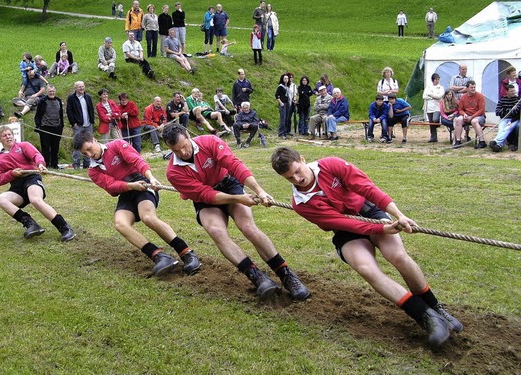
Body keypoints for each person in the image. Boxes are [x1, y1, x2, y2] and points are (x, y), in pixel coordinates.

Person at [269, 146, 463, 349]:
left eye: (298, 171)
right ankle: (426, 317)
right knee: (366, 269)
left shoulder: (331, 165)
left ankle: (436, 307)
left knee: (396, 255)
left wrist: (398, 216)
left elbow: (367, 188)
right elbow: (344, 223)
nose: (298, 179)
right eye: (290, 178)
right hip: (345, 229)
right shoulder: (301, 204)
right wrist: (384, 229)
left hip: (369, 211)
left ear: (302, 158)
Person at [162, 123, 310, 300]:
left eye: (184, 146)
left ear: (187, 135)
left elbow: (233, 165)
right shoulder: (173, 172)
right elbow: (205, 194)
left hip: (229, 184)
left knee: (248, 226)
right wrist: (239, 199)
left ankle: (286, 275)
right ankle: (256, 276)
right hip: (206, 198)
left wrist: (259, 190)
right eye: (176, 151)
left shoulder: (209, 141)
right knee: (216, 231)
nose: (183, 153)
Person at [73, 132, 200, 276]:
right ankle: (160, 256)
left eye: (89, 149)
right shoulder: (93, 171)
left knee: (147, 217)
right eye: (85, 153)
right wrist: (129, 186)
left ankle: (187, 253)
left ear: (94, 140)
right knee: (120, 224)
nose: (89, 154)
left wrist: (150, 178)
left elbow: (136, 160)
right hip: (127, 190)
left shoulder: (117, 145)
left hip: (142, 183)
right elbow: (111, 186)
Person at [0, 126, 76, 242]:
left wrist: (40, 164)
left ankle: (64, 228)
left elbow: (36, 155)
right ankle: (31, 224)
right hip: (16, 187)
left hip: (31, 178)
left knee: (35, 199)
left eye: (9, 134)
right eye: (4, 135)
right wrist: (11, 174)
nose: (8, 137)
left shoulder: (23, 146)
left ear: (13, 135)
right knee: (1, 199)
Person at [66, 81, 95, 169]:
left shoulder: (88, 97)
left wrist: (92, 120)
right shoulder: (71, 98)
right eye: (79, 87)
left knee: (89, 143)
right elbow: (69, 111)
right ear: (75, 88)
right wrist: (73, 123)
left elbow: (91, 109)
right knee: (77, 144)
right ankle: (76, 164)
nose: (82, 88)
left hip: (88, 124)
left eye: (83, 86)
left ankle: (87, 164)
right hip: (78, 125)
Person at [34, 85, 64, 169]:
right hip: (45, 128)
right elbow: (38, 115)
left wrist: (61, 126)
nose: (52, 93)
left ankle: (55, 164)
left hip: (57, 127)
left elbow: (61, 114)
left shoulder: (58, 100)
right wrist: (38, 126)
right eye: (50, 91)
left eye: (53, 91)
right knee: (45, 148)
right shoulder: (42, 101)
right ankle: (46, 164)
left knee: (55, 147)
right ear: (47, 92)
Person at [453, 80, 486, 149]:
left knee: (474, 121)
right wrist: (464, 114)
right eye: (471, 87)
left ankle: (482, 142)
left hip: (479, 116)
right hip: (467, 115)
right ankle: (458, 141)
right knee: (458, 120)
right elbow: (460, 109)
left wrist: (472, 117)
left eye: (474, 87)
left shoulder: (480, 96)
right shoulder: (463, 97)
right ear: (467, 88)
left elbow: (481, 110)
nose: (473, 89)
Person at [490, 84, 520, 152]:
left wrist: (504, 110)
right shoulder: (502, 100)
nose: (513, 92)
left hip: (514, 120)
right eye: (511, 91)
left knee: (507, 128)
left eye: (514, 91)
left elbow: (516, 112)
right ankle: (499, 145)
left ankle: (496, 142)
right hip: (504, 119)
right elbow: (497, 112)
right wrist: (510, 110)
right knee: (501, 129)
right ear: (507, 92)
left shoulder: (517, 100)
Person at [422, 73, 444, 142]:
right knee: (431, 123)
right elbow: (424, 96)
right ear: (433, 80)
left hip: (437, 107)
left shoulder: (441, 87)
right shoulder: (428, 87)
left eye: (438, 79)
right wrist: (433, 97)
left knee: (435, 119)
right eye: (436, 79)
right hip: (429, 107)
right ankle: (433, 137)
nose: (437, 81)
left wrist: (431, 95)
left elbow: (439, 96)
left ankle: (438, 125)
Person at [275, 74, 290, 139]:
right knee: (283, 119)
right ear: (282, 79)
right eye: (285, 78)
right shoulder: (280, 86)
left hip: (287, 103)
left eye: (287, 78)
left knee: (287, 118)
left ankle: (285, 132)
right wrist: (280, 102)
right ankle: (281, 133)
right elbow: (276, 95)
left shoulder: (287, 86)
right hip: (282, 103)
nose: (286, 80)